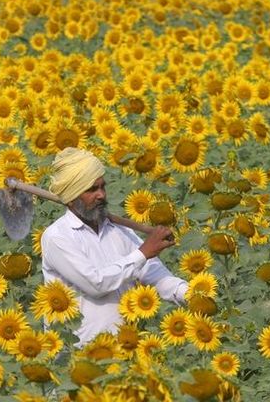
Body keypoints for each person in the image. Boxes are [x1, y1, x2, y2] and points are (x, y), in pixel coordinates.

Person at [41, 147, 188, 347]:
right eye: (92, 189)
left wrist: (188, 294)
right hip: (81, 352)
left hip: (128, 346)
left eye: (102, 187)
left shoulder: (119, 230)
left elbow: (153, 274)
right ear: (72, 196)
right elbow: (96, 284)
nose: (101, 195)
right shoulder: (58, 237)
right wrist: (143, 253)